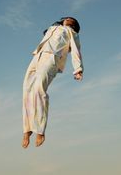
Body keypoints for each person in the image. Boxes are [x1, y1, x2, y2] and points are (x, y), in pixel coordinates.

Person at [22, 17, 84, 148]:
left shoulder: (71, 33)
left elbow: (76, 50)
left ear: (73, 25)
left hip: (52, 58)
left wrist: (78, 69)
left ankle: (39, 130)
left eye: (70, 20)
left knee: (39, 89)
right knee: (27, 89)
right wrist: (56, 25)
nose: (67, 19)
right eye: (65, 18)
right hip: (38, 56)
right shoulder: (53, 28)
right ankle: (27, 129)